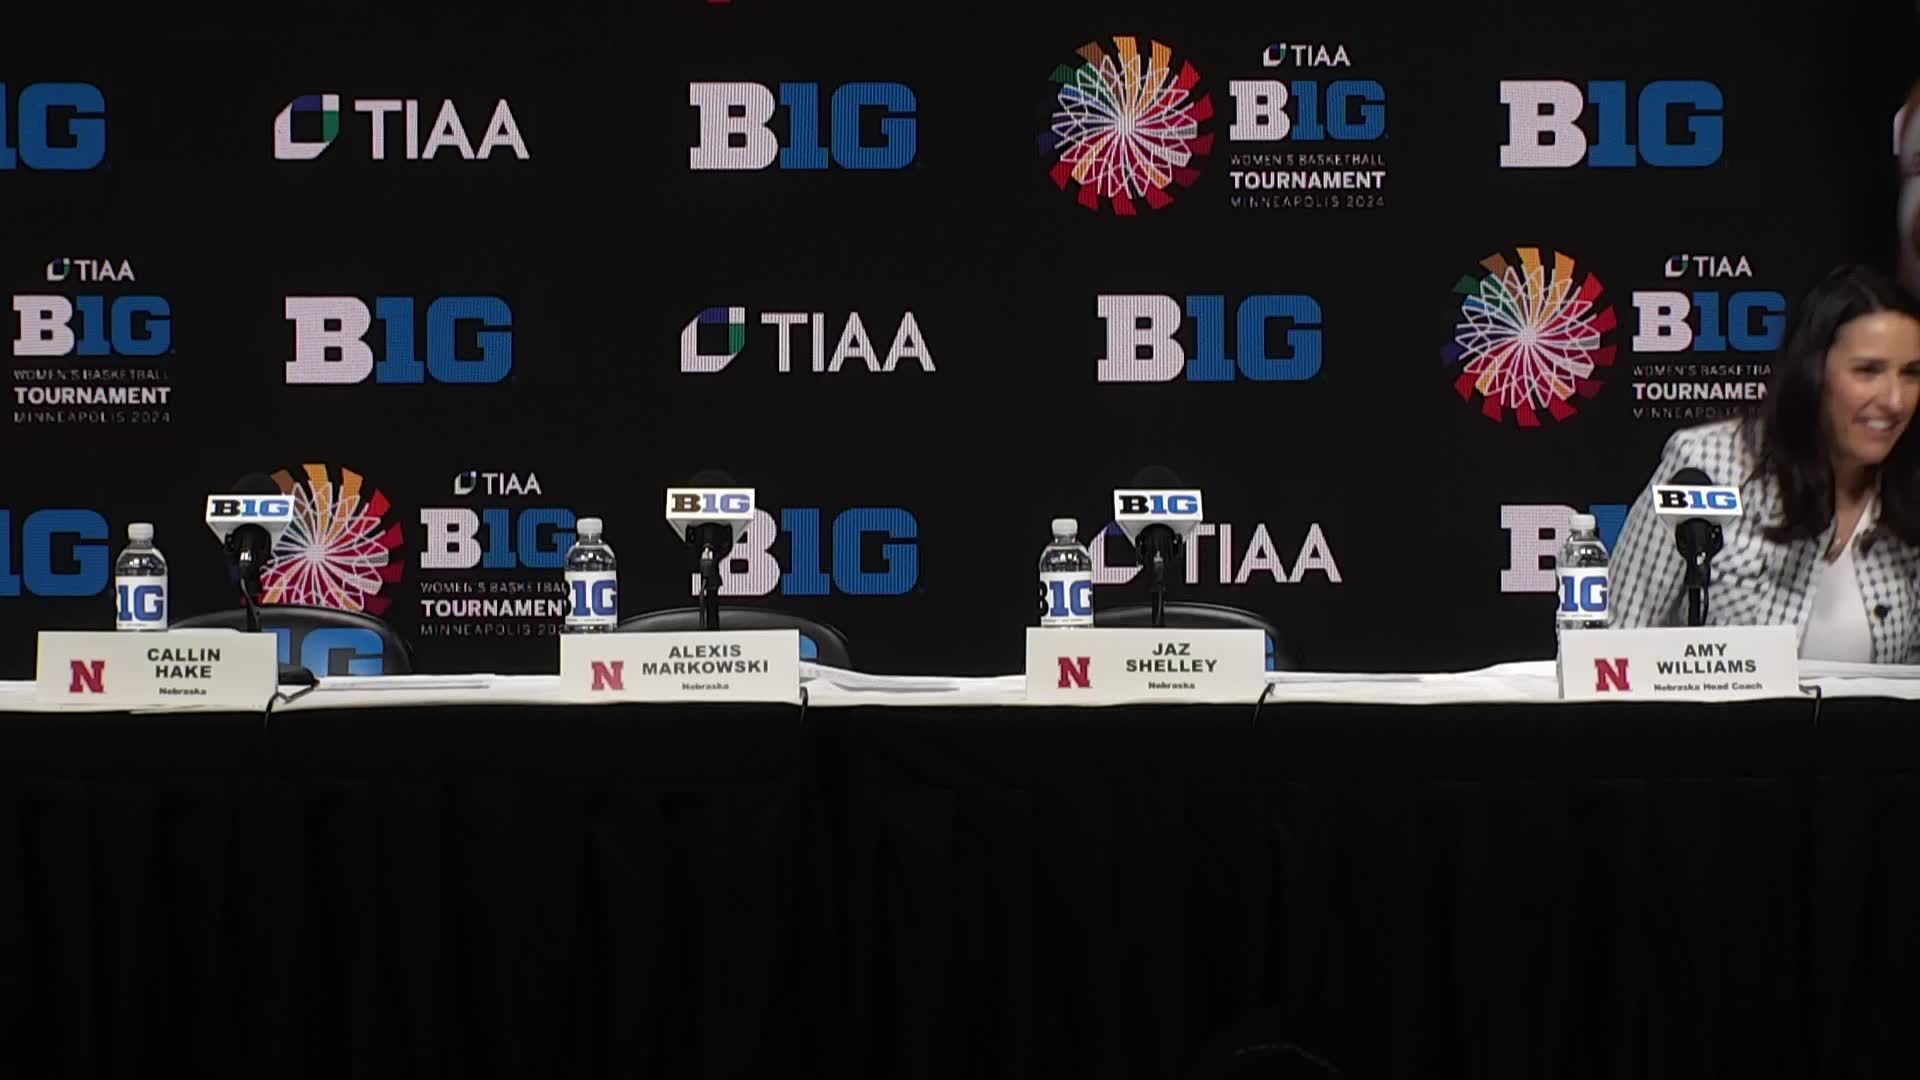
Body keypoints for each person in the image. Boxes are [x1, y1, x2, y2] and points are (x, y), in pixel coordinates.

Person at [1607, 264, 1920, 661]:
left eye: (1912, 373)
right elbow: (1614, 643)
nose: (1895, 400)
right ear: (1811, 373)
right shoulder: (1708, 466)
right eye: (1868, 371)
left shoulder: (1908, 491)